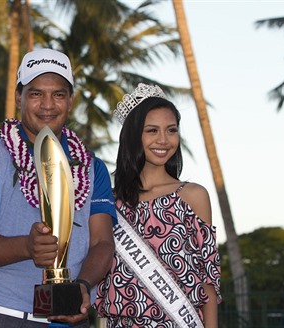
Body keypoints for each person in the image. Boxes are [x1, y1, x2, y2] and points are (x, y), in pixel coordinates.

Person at [0, 48, 117, 328]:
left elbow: (102, 242)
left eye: (58, 94)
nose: (48, 104)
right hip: (6, 317)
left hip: (73, 320)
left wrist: (82, 285)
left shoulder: (92, 167)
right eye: (36, 94)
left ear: (70, 101)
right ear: (19, 98)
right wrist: (27, 246)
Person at [94, 83, 222, 327]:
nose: (163, 140)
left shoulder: (193, 196)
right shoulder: (108, 201)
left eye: (171, 130)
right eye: (152, 130)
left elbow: (208, 279)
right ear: (133, 136)